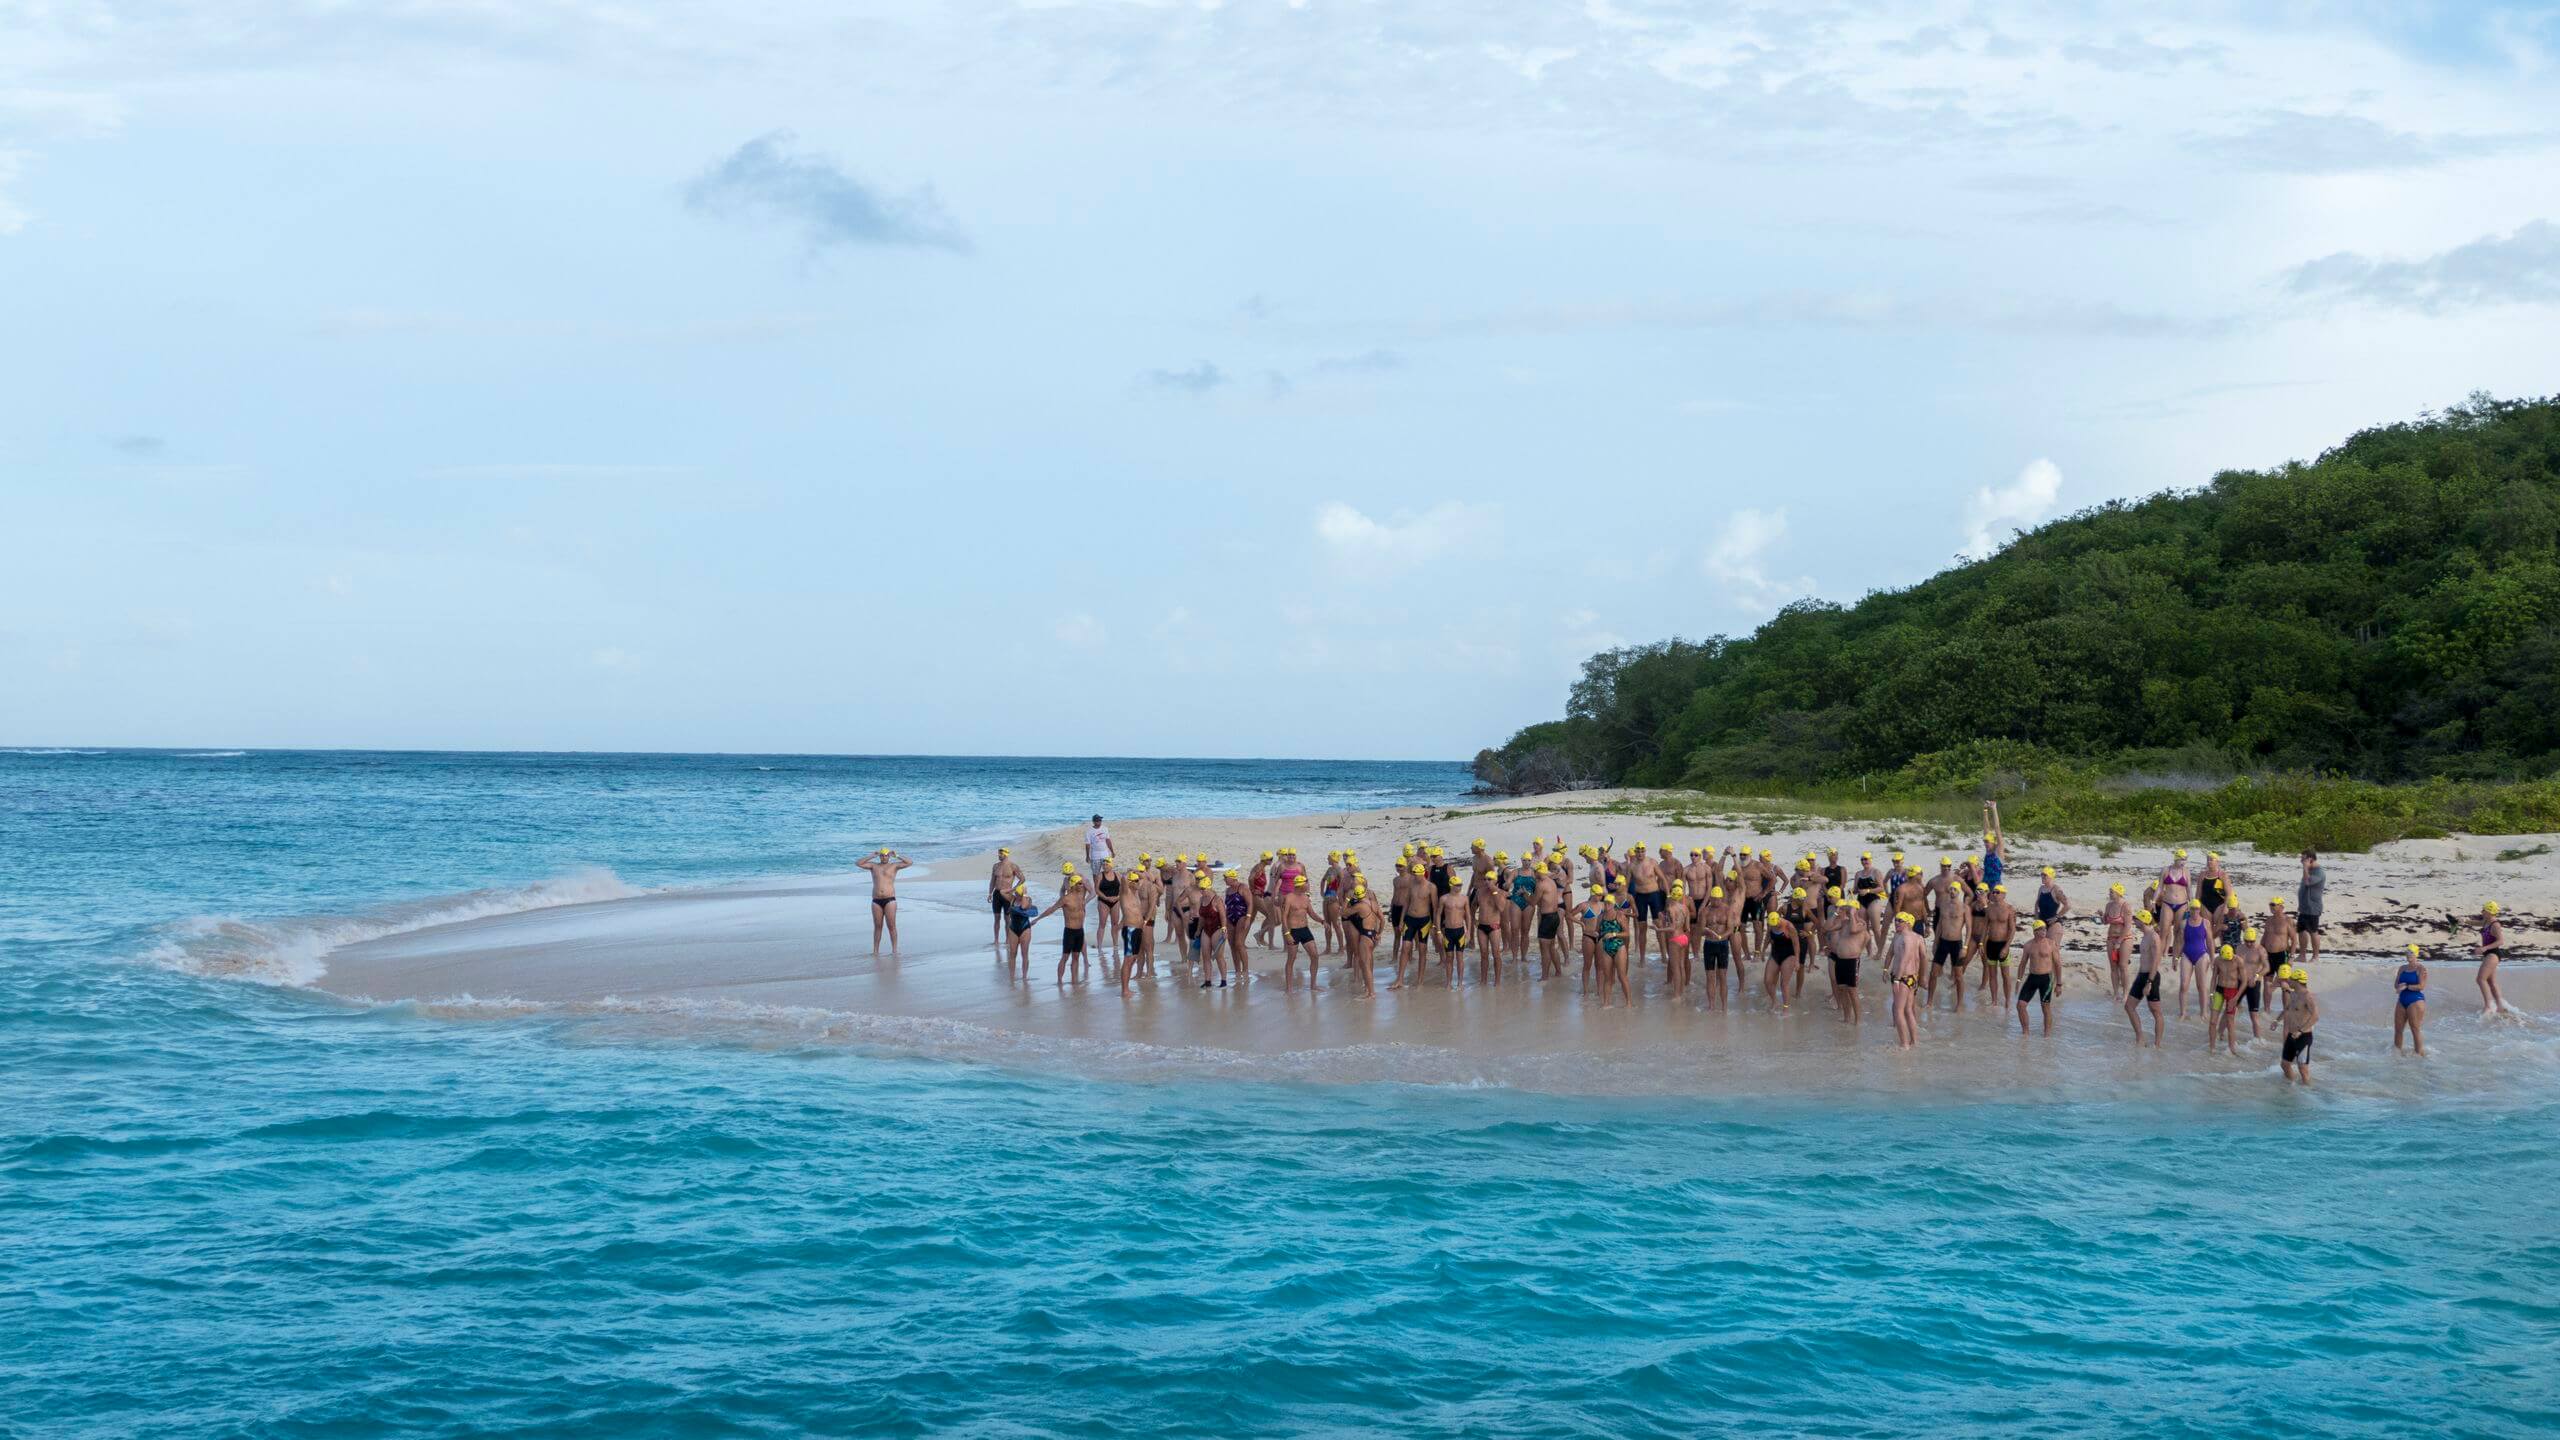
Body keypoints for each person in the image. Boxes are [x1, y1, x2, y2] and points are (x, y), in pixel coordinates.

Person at [1039, 863, 1092, 984]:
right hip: (1069, 932)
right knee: (1065, 957)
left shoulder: (1081, 897)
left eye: (1081, 883)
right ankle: (1059, 981)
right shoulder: (1065, 899)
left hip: (1080, 931)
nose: (1082, 885)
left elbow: (1093, 892)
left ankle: (1074, 981)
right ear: (1073, 885)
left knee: (1076, 958)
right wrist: (1037, 919)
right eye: (1079, 884)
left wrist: (1086, 901)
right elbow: (1051, 909)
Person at [856, 847, 912, 956]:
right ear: (880, 856)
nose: (884, 857)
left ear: (889, 856)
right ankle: (875, 951)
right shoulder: (873, 866)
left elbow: (909, 862)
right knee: (877, 927)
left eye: (886, 855)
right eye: (882, 855)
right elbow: (858, 863)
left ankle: (894, 950)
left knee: (891, 926)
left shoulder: (894, 866)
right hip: (876, 900)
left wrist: (897, 855)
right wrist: (872, 855)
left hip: (890, 899)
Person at [2123, 909, 2164, 1047]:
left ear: (2143, 921)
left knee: (2155, 1011)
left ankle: (2157, 1044)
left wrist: (2149, 982)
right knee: (2129, 1006)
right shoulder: (2145, 936)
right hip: (2141, 976)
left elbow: (2156, 961)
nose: (2135, 922)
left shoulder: (2153, 937)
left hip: (2150, 977)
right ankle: (2140, 1038)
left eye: (2137, 920)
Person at [1976, 883, 2018, 1009]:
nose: (1994, 894)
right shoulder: (1989, 909)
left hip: (2002, 945)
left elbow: (2012, 930)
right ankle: (1994, 1001)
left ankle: (2007, 1001)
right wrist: (1981, 943)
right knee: (1992, 974)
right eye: (1993, 892)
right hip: (1990, 945)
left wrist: (2006, 947)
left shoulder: (2010, 909)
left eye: (1997, 892)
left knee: (2005, 975)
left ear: (2004, 895)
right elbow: (1985, 927)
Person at [2016, 918, 2061, 1035]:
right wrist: (2018, 980)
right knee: (2020, 1005)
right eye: (2040, 930)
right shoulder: (2028, 945)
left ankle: (2047, 1035)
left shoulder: (2051, 944)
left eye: (2044, 930)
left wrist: (2059, 984)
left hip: (2047, 979)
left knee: (2045, 1007)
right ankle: (2025, 1033)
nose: (2043, 932)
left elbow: (2058, 964)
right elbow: (2022, 964)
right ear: (2035, 931)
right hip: (2032, 977)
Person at [1824, 895, 1864, 1026]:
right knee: (1842, 989)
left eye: (1849, 909)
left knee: (1852, 991)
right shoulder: (1843, 923)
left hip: (1851, 961)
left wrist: (1853, 913)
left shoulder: (1860, 923)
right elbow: (1827, 928)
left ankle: (1857, 1020)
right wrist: (1836, 912)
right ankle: (1847, 1017)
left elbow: (1853, 930)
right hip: (1840, 960)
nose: (1847, 910)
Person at [2276, 965, 2318, 1087]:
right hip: (2291, 1035)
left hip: (2303, 1036)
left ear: (2298, 982)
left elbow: (2315, 1016)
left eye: (2292, 980)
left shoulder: (2308, 997)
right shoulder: (2294, 994)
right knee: (2284, 1064)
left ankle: (2308, 1092)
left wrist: (2300, 1030)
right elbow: (2288, 1008)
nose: (2290, 981)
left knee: (2303, 1069)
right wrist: (2277, 1020)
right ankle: (2292, 1085)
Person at [1887, 911, 1923, 1049]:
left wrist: (1897, 979)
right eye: (1895, 920)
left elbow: (1905, 959)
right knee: (1907, 1010)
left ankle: (1904, 1045)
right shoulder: (1898, 936)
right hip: (1908, 977)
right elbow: (1890, 953)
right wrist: (1885, 969)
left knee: (1898, 1010)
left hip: (1903, 977)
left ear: (1907, 923)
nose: (1896, 923)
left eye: (1899, 921)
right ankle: (1914, 1041)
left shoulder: (1908, 938)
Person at [1698, 886, 1735, 1012]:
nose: (1716, 902)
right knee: (1710, 976)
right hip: (1709, 944)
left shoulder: (1727, 910)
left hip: (1722, 944)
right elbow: (1701, 930)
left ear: (1721, 898)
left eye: (1718, 900)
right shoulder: (1705, 911)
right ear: (1711, 898)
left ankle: (1724, 1006)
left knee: (1723, 976)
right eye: (1714, 900)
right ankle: (1711, 1005)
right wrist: (1707, 931)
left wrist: (1720, 936)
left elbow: (1730, 929)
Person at [2207, 942, 2245, 1056]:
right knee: (2213, 1022)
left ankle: (2232, 1049)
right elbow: (2214, 978)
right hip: (2219, 990)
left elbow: (2244, 981)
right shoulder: (2218, 960)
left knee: (2230, 1022)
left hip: (2232, 991)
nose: (2228, 960)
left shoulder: (2238, 961)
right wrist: (2211, 994)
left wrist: (2236, 998)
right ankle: (2212, 1048)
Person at [2477, 900, 2512, 1016]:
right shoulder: (2486, 921)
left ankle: (2488, 1006)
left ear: (2490, 912)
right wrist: (2464, 921)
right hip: (2488, 954)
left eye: (2484, 910)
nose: (2482, 911)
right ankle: (2500, 1007)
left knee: (2480, 979)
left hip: (2493, 954)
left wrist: (2484, 948)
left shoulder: (2495, 924)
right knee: (2491, 981)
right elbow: (2475, 923)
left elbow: (2501, 941)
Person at [1000, 879, 1039, 980]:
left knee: (1024, 954)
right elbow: (1002, 891)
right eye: (1017, 894)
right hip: (1013, 929)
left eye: (1019, 895)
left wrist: (1025, 895)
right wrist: (1013, 889)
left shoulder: (1028, 899)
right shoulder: (1012, 898)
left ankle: (1024, 977)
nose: (1017, 896)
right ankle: (1012, 976)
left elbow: (1024, 906)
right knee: (1012, 953)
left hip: (1025, 929)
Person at [2393, 943, 2428, 1055]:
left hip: (2415, 1000)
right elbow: (2396, 984)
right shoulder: (2402, 968)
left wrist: (2407, 987)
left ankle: (2419, 1055)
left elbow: (2422, 986)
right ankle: (2396, 1054)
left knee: (2415, 1029)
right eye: (2407, 952)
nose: (2409, 954)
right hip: (2402, 999)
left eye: (2411, 952)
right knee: (2398, 1029)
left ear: (2416, 954)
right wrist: (2399, 987)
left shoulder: (2421, 969)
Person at [2099, 883, 2132, 999]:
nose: (2109, 894)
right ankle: (2116, 993)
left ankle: (2126, 993)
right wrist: (2101, 916)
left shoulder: (2126, 906)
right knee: (2113, 967)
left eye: (2111, 892)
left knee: (2123, 966)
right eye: (2110, 891)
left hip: (2124, 939)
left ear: (2118, 893)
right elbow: (2105, 922)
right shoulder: (2109, 905)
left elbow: (2128, 926)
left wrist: (2119, 941)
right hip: (2111, 938)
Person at [987, 847, 1024, 945]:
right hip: (997, 894)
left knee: (1007, 919)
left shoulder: (1013, 866)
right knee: (996, 918)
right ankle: (996, 940)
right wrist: (990, 893)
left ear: (1006, 854)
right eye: (998, 854)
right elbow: (992, 881)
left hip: (1007, 894)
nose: (998, 855)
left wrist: (1013, 889)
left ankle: (1008, 940)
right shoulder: (995, 866)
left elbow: (1022, 879)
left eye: (1000, 854)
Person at [2296, 850, 2325, 965]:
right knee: (2301, 930)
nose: (2301, 861)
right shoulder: (2309, 870)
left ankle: (2315, 956)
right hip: (2304, 907)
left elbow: (2307, 882)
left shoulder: (2319, 872)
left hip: (2313, 907)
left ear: (2310, 859)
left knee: (2313, 931)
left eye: (2303, 859)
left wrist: (2305, 868)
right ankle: (2302, 955)